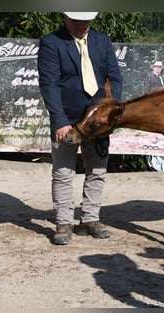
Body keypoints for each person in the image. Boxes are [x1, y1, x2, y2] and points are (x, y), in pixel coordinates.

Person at [37, 12, 123, 245]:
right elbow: (49, 84)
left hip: (97, 124)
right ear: (65, 18)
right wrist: (60, 120)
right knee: (64, 173)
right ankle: (64, 222)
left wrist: (107, 112)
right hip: (67, 119)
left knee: (97, 171)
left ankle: (90, 219)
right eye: (76, 20)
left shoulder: (102, 41)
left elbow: (114, 77)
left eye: (85, 20)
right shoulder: (51, 43)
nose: (81, 24)